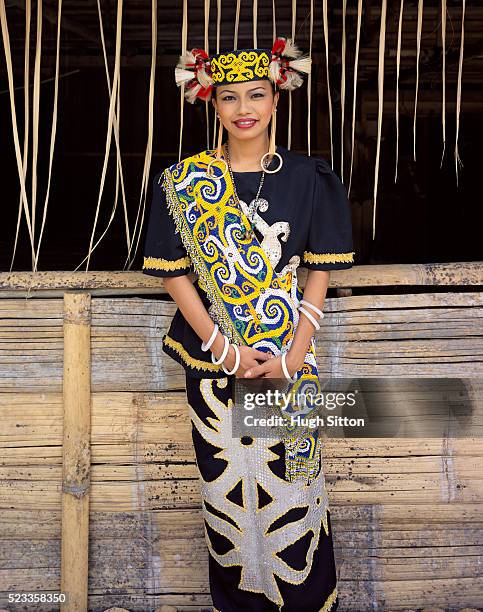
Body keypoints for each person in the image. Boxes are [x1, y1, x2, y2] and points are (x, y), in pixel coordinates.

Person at [142, 38, 354, 612]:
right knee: (226, 495)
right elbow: (174, 275)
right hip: (213, 365)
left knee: (297, 491)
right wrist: (225, 350)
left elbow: (317, 273)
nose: (244, 108)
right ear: (211, 104)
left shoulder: (310, 177)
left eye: (256, 94)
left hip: (289, 357)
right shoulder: (183, 181)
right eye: (229, 97)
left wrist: (292, 353)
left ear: (277, 96)